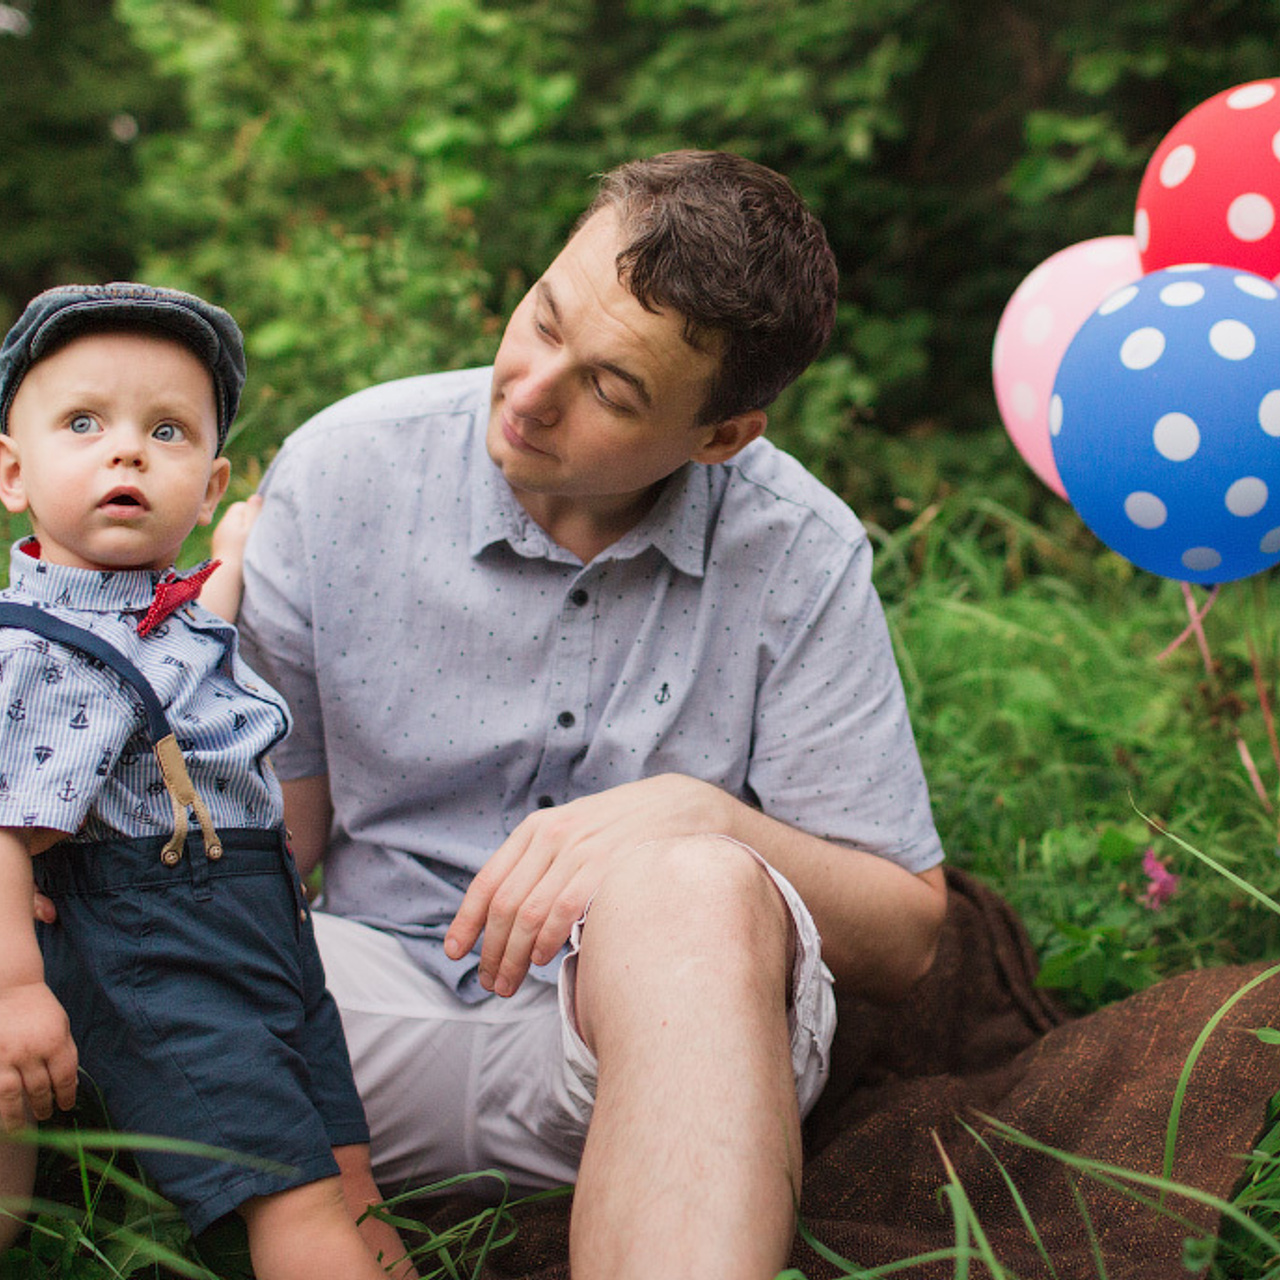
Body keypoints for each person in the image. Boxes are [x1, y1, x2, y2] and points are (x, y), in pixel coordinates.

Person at [238, 149, 948, 1280]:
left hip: (649, 1050)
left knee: (699, 879)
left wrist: (698, 817)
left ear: (722, 436)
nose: (526, 391)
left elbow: (906, 933)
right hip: (345, 1031)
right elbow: (270, 851)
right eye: (541, 317)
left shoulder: (798, 551)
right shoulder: (341, 471)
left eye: (611, 390)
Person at [0, 283, 415, 1279]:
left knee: (344, 1164)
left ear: (212, 480)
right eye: (85, 422)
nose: (128, 450)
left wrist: (230, 553)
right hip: (158, 950)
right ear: (12, 470)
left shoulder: (170, 614)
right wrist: (14, 986)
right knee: (291, 1188)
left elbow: (186, 642)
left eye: (168, 430)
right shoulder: (31, 653)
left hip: (269, 936)